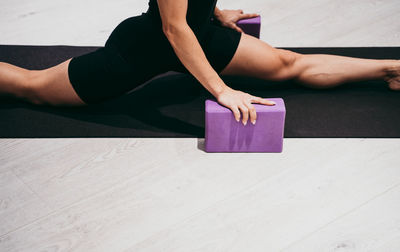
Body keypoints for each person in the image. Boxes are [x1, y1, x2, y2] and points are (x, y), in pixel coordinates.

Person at [0, 0, 399, 126]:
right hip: (143, 48)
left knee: (286, 63)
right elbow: (174, 28)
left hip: (200, 33)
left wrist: (218, 12)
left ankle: (389, 70)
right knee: (32, 88)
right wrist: (221, 90)